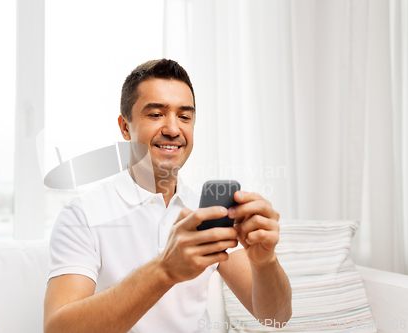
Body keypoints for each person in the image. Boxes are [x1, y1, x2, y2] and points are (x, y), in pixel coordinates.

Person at [43, 59, 292, 333]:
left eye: (184, 116)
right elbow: (58, 329)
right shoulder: (83, 215)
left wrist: (265, 261)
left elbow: (276, 318)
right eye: (156, 114)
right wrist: (165, 270)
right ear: (125, 127)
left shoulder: (210, 212)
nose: (173, 129)